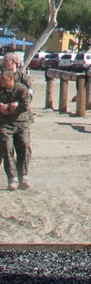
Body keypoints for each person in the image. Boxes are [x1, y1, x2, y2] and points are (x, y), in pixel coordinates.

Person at [0, 57, 32, 191]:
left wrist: (15, 107)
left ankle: (23, 176)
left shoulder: (21, 87)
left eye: (3, 79)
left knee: (24, 146)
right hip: (4, 124)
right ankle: (12, 178)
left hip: (21, 123)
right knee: (6, 147)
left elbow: (26, 103)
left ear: (10, 79)